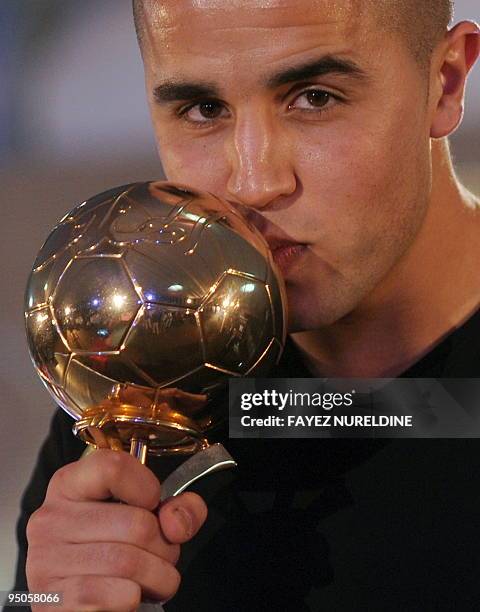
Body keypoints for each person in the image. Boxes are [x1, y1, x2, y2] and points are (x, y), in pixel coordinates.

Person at [10, 0, 480, 610]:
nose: (254, 182)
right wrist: (37, 605)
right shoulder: (148, 384)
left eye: (314, 98)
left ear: (444, 83)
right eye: (204, 110)